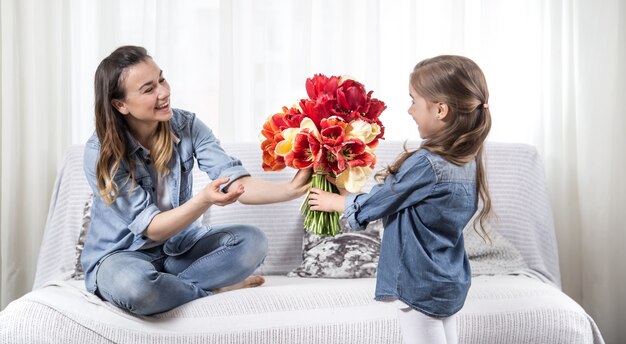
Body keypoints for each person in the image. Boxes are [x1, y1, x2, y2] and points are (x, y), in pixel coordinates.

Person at [81, 45, 311, 316]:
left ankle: (172, 288)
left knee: (253, 242)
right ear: (120, 105)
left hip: (179, 249)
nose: (164, 93)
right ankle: (213, 290)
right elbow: (152, 228)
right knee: (137, 289)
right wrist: (203, 200)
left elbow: (233, 179)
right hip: (121, 256)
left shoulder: (186, 125)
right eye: (148, 89)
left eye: (161, 80)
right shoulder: (102, 153)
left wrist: (290, 190)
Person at [308, 55, 492, 344]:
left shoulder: (427, 164)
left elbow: (383, 200)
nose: (409, 110)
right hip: (448, 278)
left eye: (414, 101)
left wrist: (336, 203)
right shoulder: (467, 161)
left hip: (418, 282)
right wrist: (348, 194)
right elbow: (403, 202)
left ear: (440, 109)